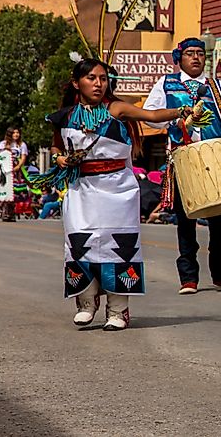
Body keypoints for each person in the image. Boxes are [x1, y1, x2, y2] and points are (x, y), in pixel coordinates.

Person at [35, 58, 192, 330]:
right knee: (79, 244)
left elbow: (152, 116)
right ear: (77, 83)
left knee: (120, 247)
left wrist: (183, 110)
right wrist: (61, 160)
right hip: (81, 188)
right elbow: (57, 148)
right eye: (92, 78)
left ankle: (118, 310)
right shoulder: (65, 117)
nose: (98, 84)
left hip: (117, 188)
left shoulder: (116, 108)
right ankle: (87, 303)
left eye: (103, 79)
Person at [142, 37, 221, 295]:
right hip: (183, 158)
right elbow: (150, 114)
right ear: (180, 58)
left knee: (220, 219)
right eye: (190, 53)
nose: (196, 58)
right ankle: (188, 277)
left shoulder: (216, 85)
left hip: (214, 160)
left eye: (200, 53)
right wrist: (172, 122)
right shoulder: (166, 83)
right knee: (185, 219)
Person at [0, 127, 30, 221]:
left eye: (17, 132)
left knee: (15, 192)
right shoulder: (3, 144)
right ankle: (5, 212)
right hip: (5, 169)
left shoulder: (22, 145)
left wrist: (17, 167)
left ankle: (12, 212)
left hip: (17, 170)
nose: (16, 134)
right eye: (14, 133)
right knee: (6, 191)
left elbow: (23, 157)